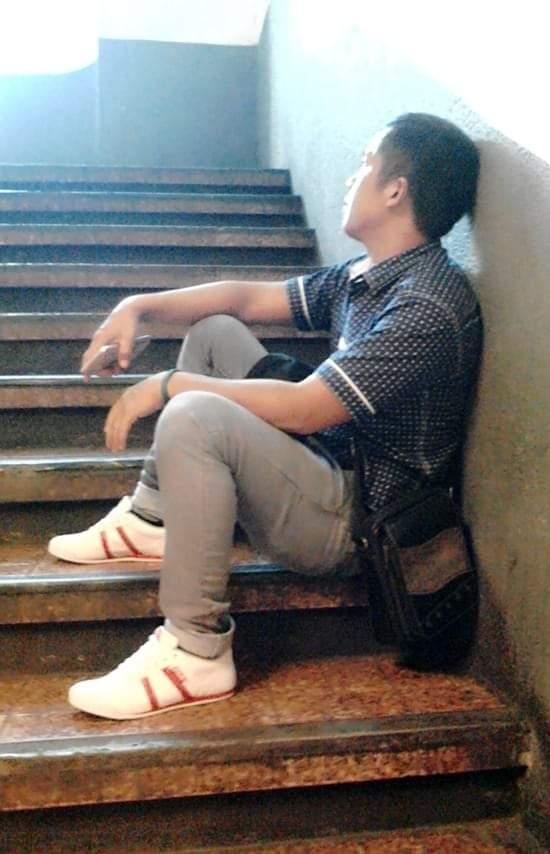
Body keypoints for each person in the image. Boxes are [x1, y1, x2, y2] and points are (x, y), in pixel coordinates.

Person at [49, 113, 482, 720]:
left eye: (365, 163)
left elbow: (305, 409)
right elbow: (246, 298)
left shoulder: (428, 305)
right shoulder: (367, 277)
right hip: (330, 462)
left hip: (359, 520)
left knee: (195, 414)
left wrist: (169, 385)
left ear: (395, 190)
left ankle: (195, 650)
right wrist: (137, 306)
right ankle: (152, 520)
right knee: (215, 332)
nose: (351, 177)